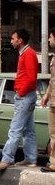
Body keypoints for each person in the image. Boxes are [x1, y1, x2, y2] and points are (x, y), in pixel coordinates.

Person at [0, 29, 39, 170]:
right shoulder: (25, 53)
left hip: (25, 96)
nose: (11, 41)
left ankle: (7, 158)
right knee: (28, 130)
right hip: (26, 96)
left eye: (13, 38)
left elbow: (32, 79)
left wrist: (21, 92)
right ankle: (31, 159)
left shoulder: (28, 54)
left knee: (15, 129)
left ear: (20, 40)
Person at [40, 28, 55, 173]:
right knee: (53, 134)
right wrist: (46, 96)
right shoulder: (54, 57)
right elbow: (52, 80)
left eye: (50, 37)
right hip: (53, 102)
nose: (48, 40)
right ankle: (53, 163)